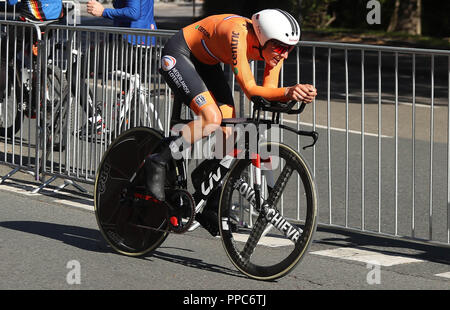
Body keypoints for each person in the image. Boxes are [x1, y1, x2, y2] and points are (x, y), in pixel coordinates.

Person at [145, 9, 317, 205]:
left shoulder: (273, 50)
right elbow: (252, 90)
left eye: (290, 48)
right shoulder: (237, 34)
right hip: (180, 53)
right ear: (263, 37)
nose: (285, 55)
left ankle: (208, 185)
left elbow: (267, 92)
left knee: (229, 130)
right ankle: (158, 160)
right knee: (211, 118)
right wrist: (288, 92)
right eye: (280, 48)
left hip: (206, 63)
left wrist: (296, 95)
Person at [86, 0, 157, 46]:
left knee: (85, 65)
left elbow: (133, 13)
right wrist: (108, 40)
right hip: (141, 38)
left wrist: (103, 12)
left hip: (132, 40)